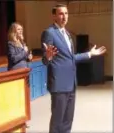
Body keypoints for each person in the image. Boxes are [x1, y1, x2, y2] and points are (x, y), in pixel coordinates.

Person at [41, 4, 106, 133]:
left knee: (68, 120)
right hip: (59, 83)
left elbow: (70, 58)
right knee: (57, 121)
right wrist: (47, 56)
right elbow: (45, 59)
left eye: (66, 13)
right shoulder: (49, 33)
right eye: (61, 13)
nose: (64, 16)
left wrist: (89, 54)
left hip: (71, 83)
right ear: (54, 15)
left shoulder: (67, 34)